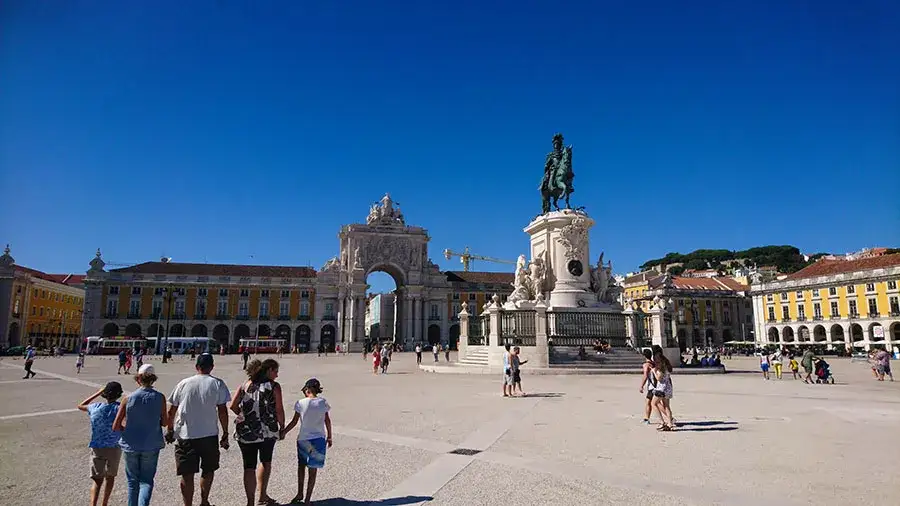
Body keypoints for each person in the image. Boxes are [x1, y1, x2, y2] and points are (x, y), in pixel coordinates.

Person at [166, 353, 231, 506]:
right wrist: (225, 432)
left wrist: (170, 429)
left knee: (186, 474)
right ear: (212, 367)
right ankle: (204, 501)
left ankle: (187, 504)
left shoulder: (183, 383)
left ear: (196, 367)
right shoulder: (218, 384)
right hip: (209, 435)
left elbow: (171, 410)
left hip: (185, 434)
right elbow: (222, 410)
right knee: (208, 470)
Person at [230, 359, 284, 506]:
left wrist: (242, 415)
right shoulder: (273, 386)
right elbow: (279, 409)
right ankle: (262, 494)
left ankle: (250, 502)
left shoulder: (244, 385)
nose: (277, 375)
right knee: (266, 462)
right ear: (267, 371)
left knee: (249, 466)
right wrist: (282, 426)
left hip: (246, 431)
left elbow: (233, 406)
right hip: (267, 430)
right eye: (275, 371)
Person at [113, 364, 167, 506]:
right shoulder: (160, 398)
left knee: (132, 482)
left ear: (138, 379)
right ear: (153, 379)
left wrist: (127, 425)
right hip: (151, 444)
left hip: (131, 444)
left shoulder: (127, 398)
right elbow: (165, 422)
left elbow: (116, 425)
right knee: (146, 481)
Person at [282, 378, 332, 506]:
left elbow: (294, 422)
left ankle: (299, 493)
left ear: (307, 389)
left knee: (301, 467)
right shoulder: (323, 403)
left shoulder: (300, 403)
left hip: (303, 439)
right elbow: (327, 421)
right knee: (313, 469)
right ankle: (308, 499)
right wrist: (330, 437)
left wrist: (283, 432)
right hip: (319, 439)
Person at [78, 381, 124, 506]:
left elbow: (81, 405)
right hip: (114, 447)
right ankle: (104, 503)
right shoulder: (120, 408)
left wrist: (98, 393)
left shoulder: (95, 407)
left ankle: (93, 504)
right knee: (110, 477)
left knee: (97, 481)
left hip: (97, 447)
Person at [651, 352, 675, 431]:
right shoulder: (667, 366)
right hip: (668, 388)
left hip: (661, 389)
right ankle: (670, 423)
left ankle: (662, 422)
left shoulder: (661, 367)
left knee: (653, 403)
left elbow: (659, 378)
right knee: (666, 406)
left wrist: (654, 371)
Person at [638, 348, 655, 424]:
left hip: (652, 386)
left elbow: (645, 375)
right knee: (657, 403)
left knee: (649, 402)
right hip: (657, 385)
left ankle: (647, 419)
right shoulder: (654, 363)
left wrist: (641, 386)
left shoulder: (646, 365)